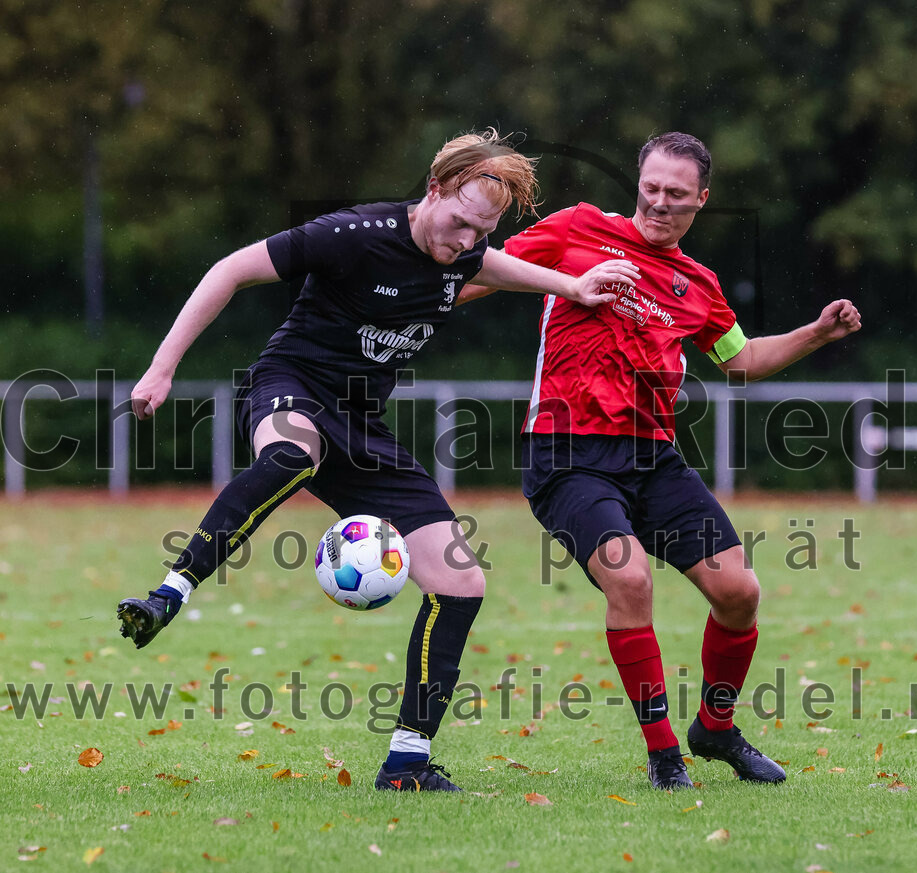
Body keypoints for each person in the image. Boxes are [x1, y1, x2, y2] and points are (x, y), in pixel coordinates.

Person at [116, 129, 639, 792]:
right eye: (458, 222)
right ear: (434, 188)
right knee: (291, 453)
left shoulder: (465, 250)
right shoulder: (354, 235)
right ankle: (170, 592)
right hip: (291, 386)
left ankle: (407, 760)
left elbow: (498, 267)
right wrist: (161, 369)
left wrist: (573, 286)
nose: (464, 241)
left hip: (361, 425)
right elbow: (231, 271)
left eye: (480, 230)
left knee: (461, 583)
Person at [460, 132, 861, 790]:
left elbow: (742, 361)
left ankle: (716, 728)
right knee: (630, 579)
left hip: (654, 458)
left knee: (740, 591)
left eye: (676, 194)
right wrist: (428, 293)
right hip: (567, 454)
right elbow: (484, 273)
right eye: (650, 187)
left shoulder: (698, 285)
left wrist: (817, 330)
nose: (659, 202)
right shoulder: (579, 228)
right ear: (638, 181)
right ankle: (664, 754)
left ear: (701, 200)